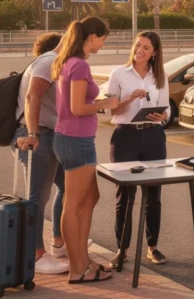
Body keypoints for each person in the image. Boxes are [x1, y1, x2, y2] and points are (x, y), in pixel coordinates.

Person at [51, 16, 118, 283]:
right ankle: (78, 269)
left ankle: (83, 261)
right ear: (92, 37)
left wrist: (103, 102)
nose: (103, 44)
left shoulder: (69, 62)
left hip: (72, 139)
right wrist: (106, 104)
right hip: (76, 141)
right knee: (74, 204)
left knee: (89, 199)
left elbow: (74, 104)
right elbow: (78, 108)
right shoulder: (79, 66)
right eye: (103, 39)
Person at [105, 31, 171, 269]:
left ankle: (152, 248)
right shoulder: (118, 74)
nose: (139, 51)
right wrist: (130, 99)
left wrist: (163, 115)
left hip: (154, 135)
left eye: (146, 47)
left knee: (154, 195)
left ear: (154, 52)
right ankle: (122, 250)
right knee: (125, 195)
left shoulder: (160, 76)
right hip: (125, 137)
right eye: (137, 45)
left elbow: (167, 111)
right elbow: (111, 110)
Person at [12, 32, 75, 275]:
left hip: (49, 134)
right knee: (37, 197)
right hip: (37, 136)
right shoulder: (48, 62)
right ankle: (36, 255)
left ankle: (58, 243)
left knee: (66, 187)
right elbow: (31, 97)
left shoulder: (54, 63)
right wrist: (34, 134)